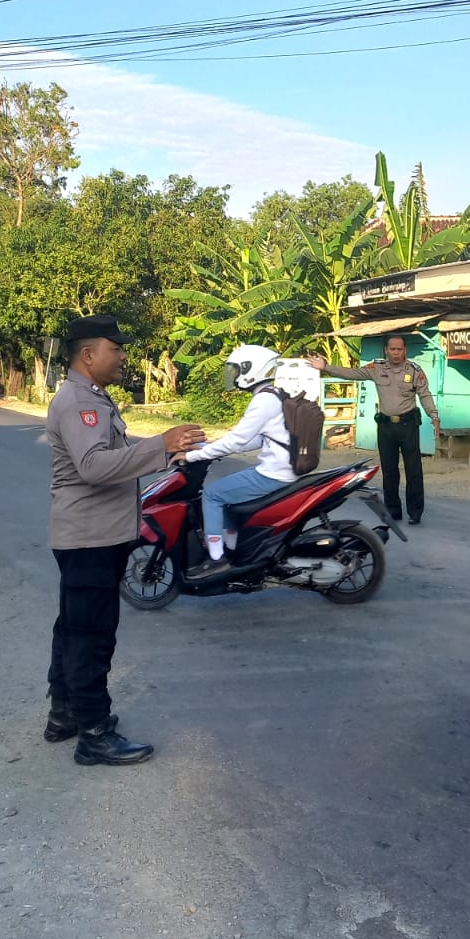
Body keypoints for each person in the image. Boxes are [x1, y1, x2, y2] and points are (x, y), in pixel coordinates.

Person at [46, 314, 205, 765]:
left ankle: (64, 715)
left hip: (93, 535)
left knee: (73, 629)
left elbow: (110, 457)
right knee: (91, 636)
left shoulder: (90, 395)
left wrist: (166, 453)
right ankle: (94, 733)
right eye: (115, 348)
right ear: (88, 354)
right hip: (90, 537)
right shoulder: (80, 402)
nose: (122, 356)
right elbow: (94, 466)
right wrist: (160, 443)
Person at [179, 345, 296, 581]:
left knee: (212, 495)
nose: (232, 376)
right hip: (282, 468)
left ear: (250, 369)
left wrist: (192, 456)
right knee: (228, 500)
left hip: (273, 474)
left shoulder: (264, 400)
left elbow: (236, 441)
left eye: (235, 370)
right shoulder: (273, 394)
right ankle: (232, 551)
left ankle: (216, 560)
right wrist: (208, 446)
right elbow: (254, 440)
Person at [306, 335, 440, 524]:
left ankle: (415, 512)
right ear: (386, 350)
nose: (395, 353)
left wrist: (433, 416)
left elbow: (425, 395)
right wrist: (326, 367)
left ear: (405, 351)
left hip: (408, 426)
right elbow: (352, 373)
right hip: (385, 427)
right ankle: (393, 511)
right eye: (392, 349)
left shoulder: (415, 371)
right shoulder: (376, 369)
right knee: (389, 471)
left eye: (399, 349)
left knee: (414, 471)